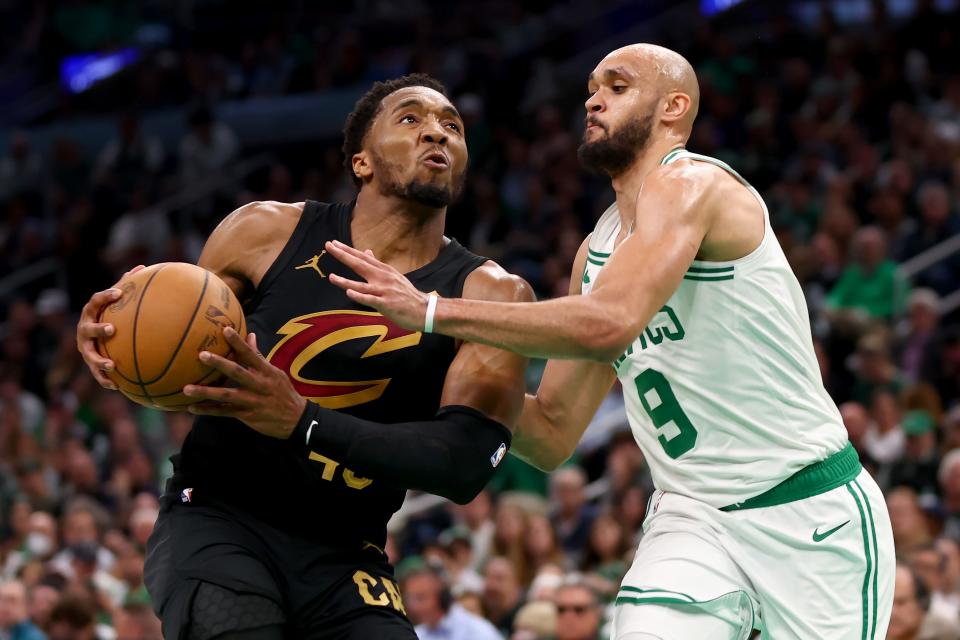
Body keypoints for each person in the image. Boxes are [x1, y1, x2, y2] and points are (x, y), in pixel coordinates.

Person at [327, 43, 895, 638]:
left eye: (617, 87)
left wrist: (432, 312)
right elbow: (549, 432)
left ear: (673, 107)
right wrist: (422, 375)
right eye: (592, 89)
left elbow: (609, 324)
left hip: (807, 511)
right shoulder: (595, 251)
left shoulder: (694, 183)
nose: (594, 100)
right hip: (692, 516)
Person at [76, 73, 530, 639]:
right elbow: (168, 343)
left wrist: (302, 421)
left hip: (348, 554)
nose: (436, 132)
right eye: (411, 119)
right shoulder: (263, 232)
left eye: (452, 126)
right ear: (361, 162)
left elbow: (461, 466)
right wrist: (109, 335)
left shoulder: (491, 294)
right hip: (221, 516)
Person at [400, 562, 501, 640]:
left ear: (443, 597)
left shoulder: (478, 631)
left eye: (420, 598)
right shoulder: (417, 634)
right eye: (410, 598)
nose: (413, 606)